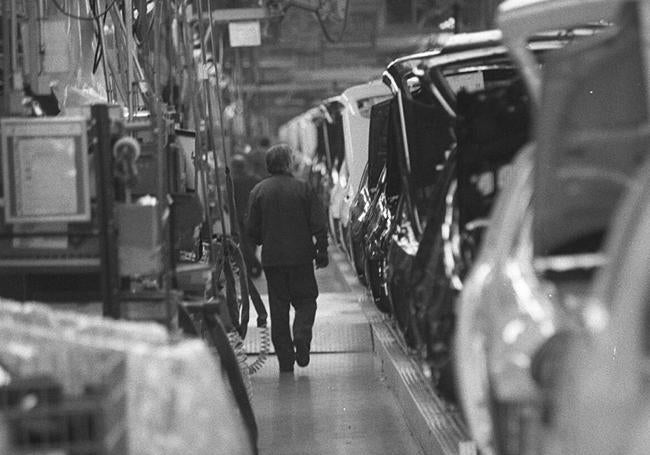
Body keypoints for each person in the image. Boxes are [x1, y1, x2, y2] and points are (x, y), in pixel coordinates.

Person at [246, 144, 328, 373]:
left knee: (278, 309)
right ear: (289, 163)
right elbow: (319, 225)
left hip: (273, 260)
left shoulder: (259, 191)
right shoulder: (303, 188)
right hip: (301, 257)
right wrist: (322, 251)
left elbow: (251, 230)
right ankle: (301, 334)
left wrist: (258, 246)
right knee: (306, 301)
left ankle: (285, 361)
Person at [231, 153, 263, 278]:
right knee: (251, 243)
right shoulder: (255, 179)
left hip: (240, 216)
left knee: (244, 243)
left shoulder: (233, 182)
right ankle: (251, 265)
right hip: (253, 216)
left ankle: (253, 265)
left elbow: (229, 200)